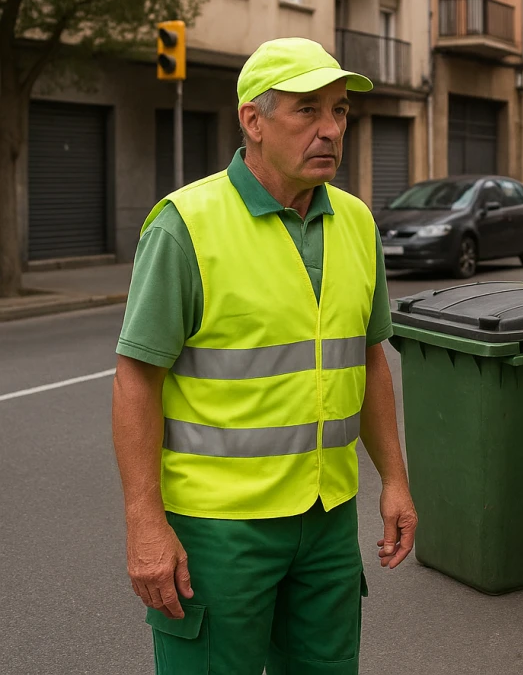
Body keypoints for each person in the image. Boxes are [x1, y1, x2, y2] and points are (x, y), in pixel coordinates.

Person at [111, 37, 416, 674]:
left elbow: (368, 360)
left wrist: (394, 480)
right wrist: (145, 523)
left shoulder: (357, 222)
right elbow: (136, 379)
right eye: (308, 110)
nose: (331, 129)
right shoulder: (185, 224)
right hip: (220, 528)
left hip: (327, 519)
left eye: (339, 111)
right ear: (253, 120)